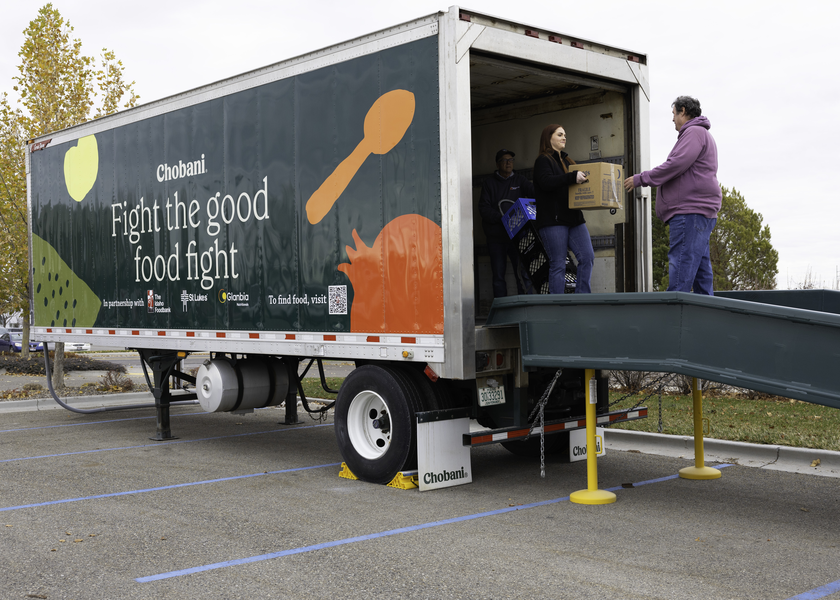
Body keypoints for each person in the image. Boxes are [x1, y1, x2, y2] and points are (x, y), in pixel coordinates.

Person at [624, 96, 721, 295]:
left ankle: (672, 318)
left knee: (681, 271)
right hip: (700, 212)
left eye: (674, 114)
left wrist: (641, 179)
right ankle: (707, 318)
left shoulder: (693, 132)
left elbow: (676, 165)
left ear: (683, 111)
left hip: (689, 212)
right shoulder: (701, 134)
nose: (673, 120)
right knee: (702, 272)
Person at [532, 125, 593, 294]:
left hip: (574, 219)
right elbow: (546, 182)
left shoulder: (567, 161)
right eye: (559, 134)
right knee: (558, 264)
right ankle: (557, 308)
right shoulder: (543, 160)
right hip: (553, 220)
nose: (564, 137)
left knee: (587, 257)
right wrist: (572, 177)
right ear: (548, 138)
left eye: (565, 134)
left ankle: (583, 300)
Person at [478, 149, 535, 297]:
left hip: (517, 236)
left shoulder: (520, 180)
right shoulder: (489, 184)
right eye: (505, 160)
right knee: (498, 275)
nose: (509, 163)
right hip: (496, 238)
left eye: (511, 160)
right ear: (498, 164)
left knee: (522, 273)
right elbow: (483, 209)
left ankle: (525, 307)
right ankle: (501, 311)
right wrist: (502, 218)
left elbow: (534, 194)